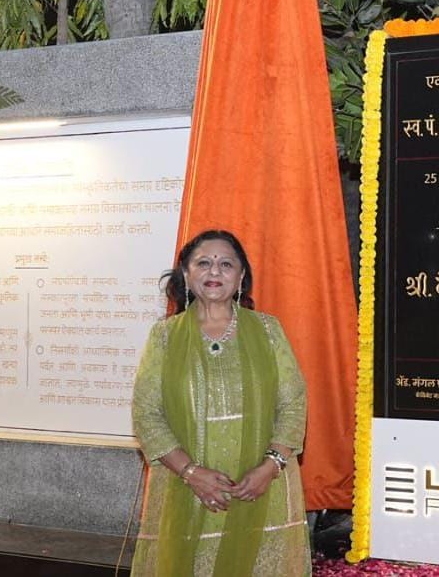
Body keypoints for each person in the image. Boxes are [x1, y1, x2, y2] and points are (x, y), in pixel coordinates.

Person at [131, 230, 310, 576]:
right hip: (187, 492)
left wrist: (269, 467)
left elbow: (293, 404)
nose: (215, 271)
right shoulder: (164, 336)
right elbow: (146, 413)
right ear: (186, 274)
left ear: (241, 276)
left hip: (261, 489)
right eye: (203, 263)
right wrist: (191, 473)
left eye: (226, 264)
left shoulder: (269, 330)